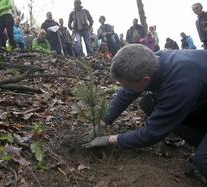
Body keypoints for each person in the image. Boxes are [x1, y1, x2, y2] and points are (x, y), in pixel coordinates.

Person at [83, 44, 207, 179]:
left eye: (127, 85)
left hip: (193, 92)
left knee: (202, 162)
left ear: (145, 79)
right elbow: (126, 93)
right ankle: (200, 140)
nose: (125, 88)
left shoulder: (179, 84)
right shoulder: (155, 61)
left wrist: (111, 139)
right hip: (201, 98)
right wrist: (103, 121)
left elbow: (151, 133)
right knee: (149, 104)